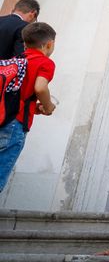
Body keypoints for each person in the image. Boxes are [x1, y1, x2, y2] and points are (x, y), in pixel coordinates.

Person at [0, 22, 56, 192]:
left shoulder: (15, 61)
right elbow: (40, 87)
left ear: (24, 43)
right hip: (15, 124)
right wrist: (48, 106)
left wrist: (34, 106)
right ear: (49, 44)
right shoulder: (45, 63)